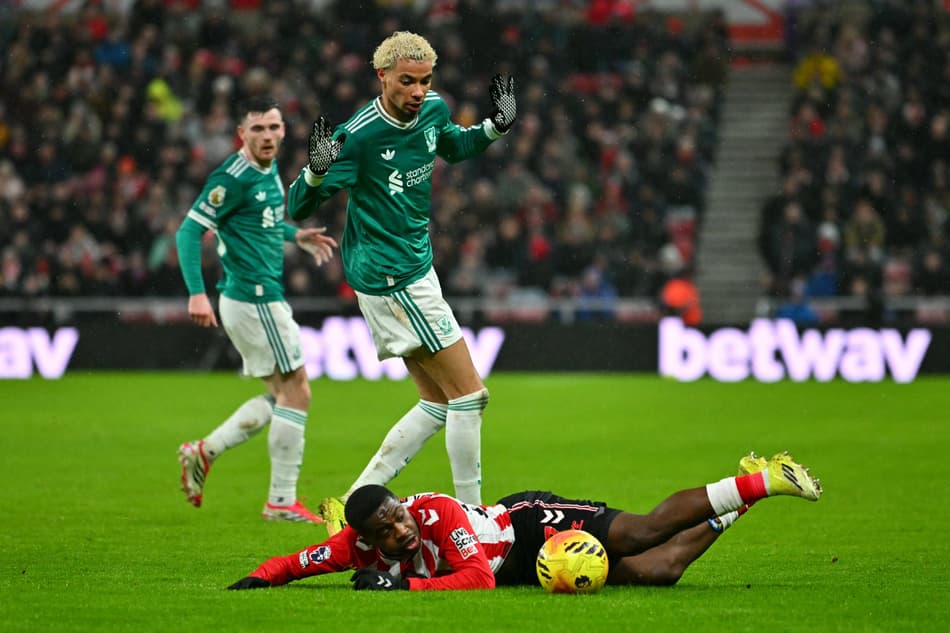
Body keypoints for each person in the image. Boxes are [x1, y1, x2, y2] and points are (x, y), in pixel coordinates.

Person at [285, 31, 518, 526]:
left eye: (425, 80)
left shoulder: (432, 109)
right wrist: (315, 173)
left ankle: (350, 507)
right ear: (382, 76)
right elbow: (297, 207)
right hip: (393, 277)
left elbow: (452, 145)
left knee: (437, 403)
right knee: (471, 396)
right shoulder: (359, 136)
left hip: (412, 268)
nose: (418, 91)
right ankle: (475, 520)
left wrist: (495, 127)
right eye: (407, 81)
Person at [227, 451, 822, 591]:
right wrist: (258, 579)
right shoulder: (352, 550)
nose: (402, 530)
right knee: (658, 572)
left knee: (643, 532)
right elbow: (295, 563)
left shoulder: (437, 513)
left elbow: (477, 579)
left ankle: (763, 479)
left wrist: (400, 586)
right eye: (386, 531)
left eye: (399, 517)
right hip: (522, 567)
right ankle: (745, 499)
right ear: (364, 538)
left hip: (529, 525)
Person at [175, 96, 338, 523]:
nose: (267, 136)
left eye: (273, 128)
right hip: (255, 298)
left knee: (283, 394)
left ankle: (204, 452)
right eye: (257, 129)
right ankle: (280, 501)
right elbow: (188, 232)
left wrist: (294, 235)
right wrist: (196, 293)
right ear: (241, 134)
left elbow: (258, 220)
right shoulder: (233, 177)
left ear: (283, 131)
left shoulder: (267, 172)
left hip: (253, 298)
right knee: (297, 393)